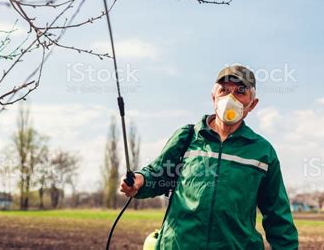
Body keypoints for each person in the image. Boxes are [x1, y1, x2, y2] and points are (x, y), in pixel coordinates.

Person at [120, 65, 298, 249]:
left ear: (252, 104)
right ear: (214, 97)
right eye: (224, 90)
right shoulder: (187, 136)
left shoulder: (262, 152)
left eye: (240, 92)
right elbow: (158, 174)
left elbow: (278, 215)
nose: (230, 98)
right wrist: (140, 181)